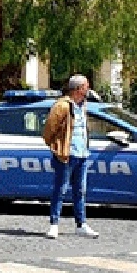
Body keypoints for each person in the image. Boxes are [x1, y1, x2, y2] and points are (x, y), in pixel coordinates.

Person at [42, 75, 100, 239]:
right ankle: (54, 224)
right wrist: (56, 147)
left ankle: (81, 224)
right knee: (60, 190)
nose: (88, 89)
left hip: (82, 154)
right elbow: (49, 130)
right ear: (78, 89)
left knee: (80, 191)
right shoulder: (62, 105)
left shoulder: (83, 105)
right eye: (86, 86)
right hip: (66, 155)